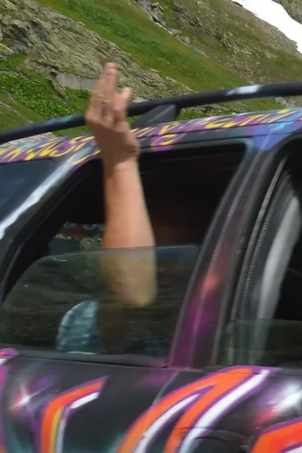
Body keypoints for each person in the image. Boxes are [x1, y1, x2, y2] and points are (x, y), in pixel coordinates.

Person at [59, 63, 206, 354]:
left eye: (181, 255)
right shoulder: (88, 320)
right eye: (154, 255)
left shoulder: (233, 318)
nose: (163, 270)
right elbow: (130, 300)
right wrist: (120, 162)